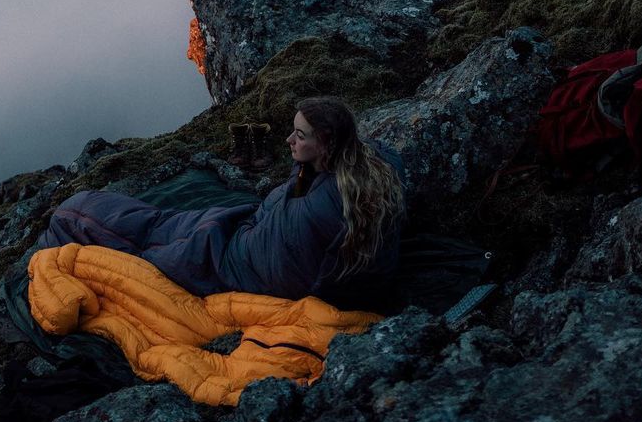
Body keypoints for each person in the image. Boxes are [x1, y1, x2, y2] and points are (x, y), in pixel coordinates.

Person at [38, 96, 406, 312]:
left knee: (86, 215)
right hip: (249, 237)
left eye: (300, 135)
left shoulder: (311, 211)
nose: (289, 140)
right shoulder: (376, 170)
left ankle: (56, 240)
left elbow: (272, 259)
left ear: (325, 144)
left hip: (229, 258)